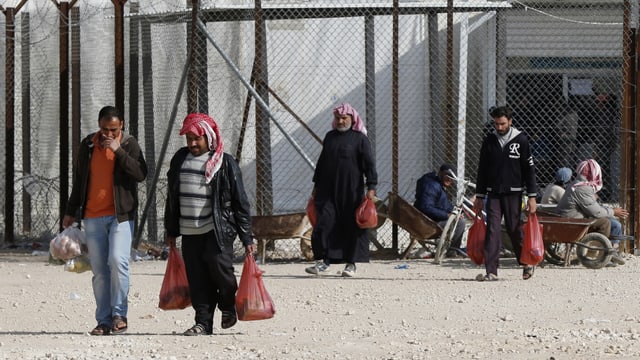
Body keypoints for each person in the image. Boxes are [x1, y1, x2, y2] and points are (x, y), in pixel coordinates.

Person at [164, 113, 256, 336]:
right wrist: (171, 230)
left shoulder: (225, 163)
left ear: (209, 137)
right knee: (197, 279)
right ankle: (203, 323)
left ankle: (227, 305)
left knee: (221, 272)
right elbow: (172, 198)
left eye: (197, 138)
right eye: (189, 139)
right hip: (189, 231)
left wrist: (247, 238)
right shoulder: (179, 159)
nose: (193, 143)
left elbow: (240, 203)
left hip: (217, 230)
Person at [62, 106, 148, 335]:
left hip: (121, 216)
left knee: (118, 260)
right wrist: (71, 210)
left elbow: (140, 173)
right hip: (92, 216)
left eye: (113, 130)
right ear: (98, 126)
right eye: (104, 129)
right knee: (100, 271)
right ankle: (104, 320)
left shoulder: (129, 144)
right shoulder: (88, 145)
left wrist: (119, 151)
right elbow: (80, 179)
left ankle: (119, 314)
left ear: (121, 127)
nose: (108, 135)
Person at [305, 103, 378, 277]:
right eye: (338, 118)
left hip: (350, 190)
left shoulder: (360, 139)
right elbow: (322, 164)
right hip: (327, 189)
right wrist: (315, 186)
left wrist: (372, 186)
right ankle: (325, 261)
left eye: (344, 118)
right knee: (325, 222)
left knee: (351, 225)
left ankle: (351, 264)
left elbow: (369, 164)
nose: (340, 121)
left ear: (352, 119)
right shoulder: (330, 137)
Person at [473, 105, 538, 281]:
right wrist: (479, 196)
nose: (499, 127)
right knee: (492, 229)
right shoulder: (489, 140)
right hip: (493, 193)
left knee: (514, 228)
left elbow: (529, 170)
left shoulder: (521, 140)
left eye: (502, 123)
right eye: (496, 124)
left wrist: (532, 196)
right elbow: (482, 170)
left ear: (510, 121)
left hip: (514, 193)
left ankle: (526, 263)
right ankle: (491, 271)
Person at [555, 159, 627, 266]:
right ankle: (598, 255)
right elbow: (596, 212)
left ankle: (609, 252)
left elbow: (591, 207)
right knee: (605, 222)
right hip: (573, 221)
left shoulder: (577, 184)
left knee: (609, 221)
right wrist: (613, 211)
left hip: (570, 218)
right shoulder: (583, 188)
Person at [414, 164, 465, 257]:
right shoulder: (432, 185)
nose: (450, 179)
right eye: (447, 175)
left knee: (458, 218)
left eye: (452, 177)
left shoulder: (437, 185)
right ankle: (452, 252)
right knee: (460, 223)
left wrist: (455, 211)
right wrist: (447, 216)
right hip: (427, 223)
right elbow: (426, 207)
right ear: (440, 173)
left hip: (428, 220)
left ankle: (452, 251)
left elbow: (443, 205)